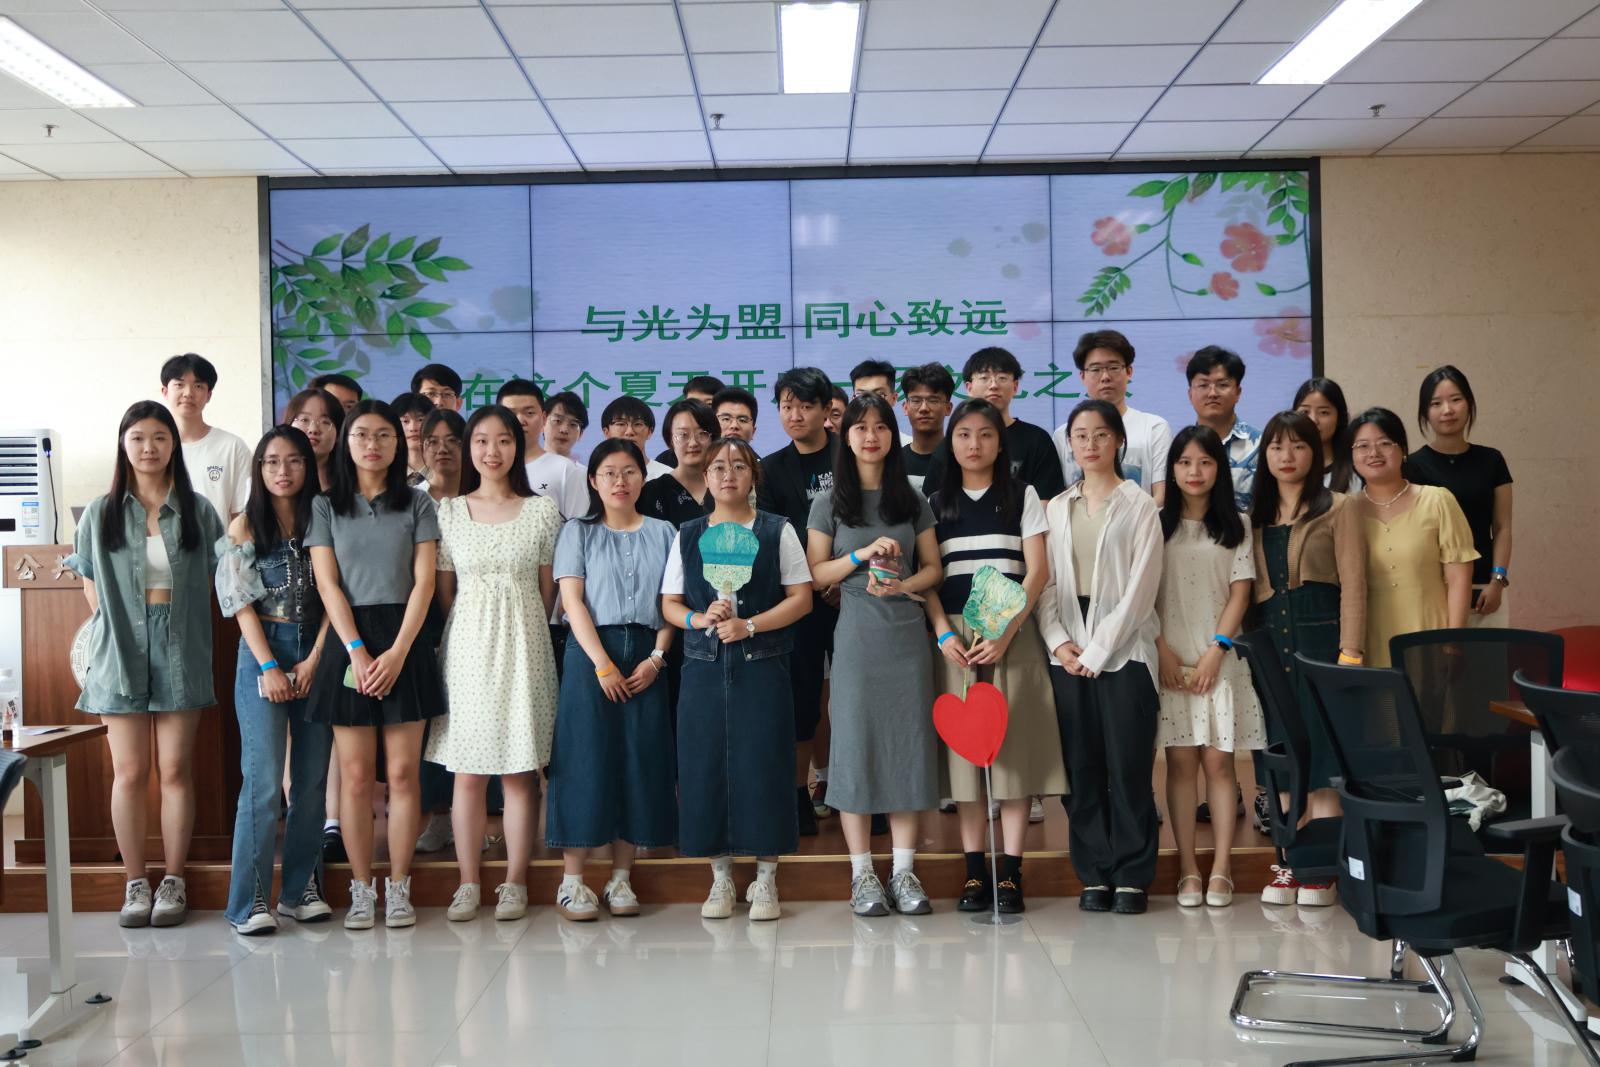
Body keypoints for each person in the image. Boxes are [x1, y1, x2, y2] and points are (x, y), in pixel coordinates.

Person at [67, 401, 226, 929]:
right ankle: (135, 881)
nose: (149, 447)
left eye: (159, 437)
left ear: (173, 445)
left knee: (175, 769)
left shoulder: (198, 510)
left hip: (180, 643)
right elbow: (91, 586)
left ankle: (174, 879)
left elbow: (215, 577)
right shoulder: (101, 513)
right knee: (130, 771)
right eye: (137, 437)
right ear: (123, 445)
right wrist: (120, 630)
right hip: (119, 647)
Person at [304, 399, 445, 930]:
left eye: (385, 435)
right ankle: (362, 889)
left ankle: (400, 887)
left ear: (398, 444)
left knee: (404, 774)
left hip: (405, 636)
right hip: (350, 641)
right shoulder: (325, 505)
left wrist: (400, 651)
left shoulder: (418, 502)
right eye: (362, 434)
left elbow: (425, 582)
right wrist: (359, 652)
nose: (373, 444)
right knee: (358, 777)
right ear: (347, 442)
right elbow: (327, 584)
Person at [662, 438, 813, 920]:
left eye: (739, 466)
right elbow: (670, 604)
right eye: (718, 467)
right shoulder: (688, 534)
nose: (728, 475)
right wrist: (699, 619)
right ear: (705, 477)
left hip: (763, 665)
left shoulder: (776, 530)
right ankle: (721, 877)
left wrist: (750, 625)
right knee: (705, 767)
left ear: (754, 476)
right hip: (703, 668)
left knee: (765, 765)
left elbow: (801, 598)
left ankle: (766, 879)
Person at [924, 398, 1062, 914]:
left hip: (1011, 633)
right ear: (951, 442)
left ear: (1000, 443)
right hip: (957, 640)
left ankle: (1010, 874)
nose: (974, 444)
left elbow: (1038, 571)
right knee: (966, 762)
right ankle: (974, 872)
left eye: (985, 434)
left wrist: (1007, 630)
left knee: (1012, 755)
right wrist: (942, 633)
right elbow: (929, 578)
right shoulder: (934, 502)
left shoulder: (1022, 494)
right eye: (963, 435)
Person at [424, 406, 561, 922]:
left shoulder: (542, 511)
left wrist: (518, 623)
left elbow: (548, 590)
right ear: (469, 448)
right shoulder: (449, 512)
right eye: (481, 441)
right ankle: (467, 882)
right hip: (467, 650)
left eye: (503, 440)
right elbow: (445, 592)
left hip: (526, 646)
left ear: (517, 446)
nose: (492, 451)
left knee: (521, 772)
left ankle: (515, 882)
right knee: (468, 772)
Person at [807, 394, 942, 916]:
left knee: (907, 748)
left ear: (892, 434)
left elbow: (934, 569)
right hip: (857, 639)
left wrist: (905, 584)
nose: (870, 436)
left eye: (880, 427)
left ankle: (904, 871)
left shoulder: (912, 497)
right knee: (856, 747)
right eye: (860, 427)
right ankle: (862, 873)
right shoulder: (829, 501)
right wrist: (862, 554)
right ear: (846, 436)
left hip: (906, 638)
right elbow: (815, 574)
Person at [1039, 399, 1162, 916]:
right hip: (1068, 651)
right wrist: (1057, 641)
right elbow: (1045, 582)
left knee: (1128, 767)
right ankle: (1094, 872)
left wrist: (1099, 648)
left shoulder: (1140, 505)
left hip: (1125, 651)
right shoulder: (1055, 507)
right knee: (1081, 769)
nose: (1090, 444)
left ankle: (1132, 875)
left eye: (1101, 435)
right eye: (1080, 436)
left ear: (1119, 442)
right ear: (1069, 444)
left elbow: (1141, 590)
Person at [546, 440, 677, 921]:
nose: (620, 481)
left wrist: (657, 658)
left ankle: (622, 877)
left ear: (643, 477)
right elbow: (572, 601)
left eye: (629, 472)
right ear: (593, 480)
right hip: (590, 651)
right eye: (608, 473)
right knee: (583, 757)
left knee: (639, 759)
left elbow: (672, 602)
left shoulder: (665, 532)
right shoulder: (577, 532)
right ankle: (573, 880)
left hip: (647, 653)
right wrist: (601, 664)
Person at [216, 426, 333, 935]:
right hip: (263, 648)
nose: (282, 471)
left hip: (318, 654)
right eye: (271, 462)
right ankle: (250, 901)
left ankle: (301, 888)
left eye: (293, 461)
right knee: (263, 782)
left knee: (311, 781)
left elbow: (337, 597)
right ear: (259, 469)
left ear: (309, 465)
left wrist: (316, 660)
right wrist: (268, 666)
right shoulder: (245, 524)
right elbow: (239, 602)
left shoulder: (325, 516)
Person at [1250, 411, 1366, 906]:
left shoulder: (1340, 506)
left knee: (1323, 762)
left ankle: (1321, 869)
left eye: (1298, 446)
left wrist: (1350, 655)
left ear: (1315, 455)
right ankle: (1288, 864)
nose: (1287, 456)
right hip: (1269, 648)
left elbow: (1355, 585)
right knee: (1279, 761)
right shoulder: (1252, 515)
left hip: (1322, 647)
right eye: (1277, 447)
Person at [1154, 426, 1263, 910]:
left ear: (1219, 468)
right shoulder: (1155, 525)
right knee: (1179, 765)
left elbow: (1241, 592)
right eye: (1184, 462)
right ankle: (1187, 868)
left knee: (1220, 763)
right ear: (1172, 469)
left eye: (1204, 462)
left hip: (1220, 659)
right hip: (1169, 660)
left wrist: (1218, 650)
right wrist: (1162, 650)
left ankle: (1221, 868)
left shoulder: (1238, 524)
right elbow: (1142, 595)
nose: (1194, 471)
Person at [758, 367, 838, 837]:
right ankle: (797, 795)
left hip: (851, 595)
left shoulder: (850, 456)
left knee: (853, 698)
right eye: (787, 406)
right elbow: (774, 536)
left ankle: (858, 791)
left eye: (805, 406)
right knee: (802, 701)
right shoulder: (770, 468)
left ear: (826, 410)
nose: (795, 415)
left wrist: (838, 577)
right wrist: (809, 582)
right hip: (800, 600)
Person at [1350, 407, 1477, 668]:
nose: (1373, 453)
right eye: (1362, 446)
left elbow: (1459, 579)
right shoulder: (1345, 511)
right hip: (1369, 641)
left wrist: (1453, 641)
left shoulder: (1437, 500)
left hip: (1430, 637)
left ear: (1403, 450)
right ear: (1351, 456)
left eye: (1385, 443)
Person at [1406, 366, 1513, 627]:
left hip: (1485, 591)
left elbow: (1502, 527)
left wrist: (1497, 581)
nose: (1447, 410)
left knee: (1489, 655)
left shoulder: (1492, 460)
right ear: (1425, 412)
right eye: (1436, 403)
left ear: (1469, 404)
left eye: (1455, 399)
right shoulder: (1412, 466)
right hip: (1435, 591)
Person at [413, 407, 468, 854]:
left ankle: (479, 816)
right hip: (423, 621)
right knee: (436, 721)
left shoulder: (482, 496)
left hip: (479, 619)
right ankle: (439, 816)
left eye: (453, 440)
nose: (443, 449)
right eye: (433, 440)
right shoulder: (412, 500)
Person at [920, 347, 1066, 503]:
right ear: (969, 387)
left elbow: (1047, 503)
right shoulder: (951, 444)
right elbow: (930, 504)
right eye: (984, 378)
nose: (994, 385)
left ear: (1015, 386)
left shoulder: (1037, 440)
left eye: (1002, 378)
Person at [1054, 330, 1172, 503]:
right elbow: (1059, 498)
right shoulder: (1063, 434)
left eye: (1114, 368)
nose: (1105, 377)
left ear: (1129, 371)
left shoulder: (1154, 428)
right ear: (1082, 376)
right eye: (1095, 369)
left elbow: (1161, 496)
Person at [161, 353, 251, 521]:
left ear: (209, 395)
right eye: (179, 384)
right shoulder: (153, 449)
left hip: (218, 539)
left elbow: (241, 516)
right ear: (165, 392)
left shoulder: (232, 447)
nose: (188, 393)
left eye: (198, 386)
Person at [499, 380, 589, 520]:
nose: (564, 430)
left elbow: (578, 528)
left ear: (543, 418)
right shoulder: (488, 466)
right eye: (557, 421)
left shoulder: (570, 470)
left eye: (529, 413)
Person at [1185, 346, 1260, 512]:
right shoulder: (1180, 448)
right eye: (1203, 385)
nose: (1212, 393)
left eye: (1222, 385)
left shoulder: (1262, 445)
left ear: (1238, 392)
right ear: (1190, 394)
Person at [639, 399, 715, 527]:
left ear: (713, 438)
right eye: (683, 435)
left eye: (702, 433)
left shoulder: (727, 485)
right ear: (670, 439)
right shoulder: (652, 492)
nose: (693, 443)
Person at [1293, 378, 1357, 493]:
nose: (1313, 420)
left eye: (1324, 412)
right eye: (1305, 412)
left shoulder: (1357, 466)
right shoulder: (1284, 464)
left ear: (1339, 418)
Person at [899, 362, 954, 492]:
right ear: (905, 407)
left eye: (933, 400)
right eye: (916, 400)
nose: (924, 408)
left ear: (948, 408)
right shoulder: (894, 462)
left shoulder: (961, 459)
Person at [656, 375, 724, 467]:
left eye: (709, 404)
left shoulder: (733, 454)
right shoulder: (665, 461)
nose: (699, 410)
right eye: (693, 403)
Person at [283, 387, 344, 490]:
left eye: (325, 422)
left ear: (339, 434)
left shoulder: (351, 484)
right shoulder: (276, 479)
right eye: (304, 420)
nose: (313, 430)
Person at [601, 396, 670, 481]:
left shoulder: (668, 476)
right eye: (621, 424)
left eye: (637, 424)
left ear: (650, 432)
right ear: (606, 432)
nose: (629, 432)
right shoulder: (597, 476)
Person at [390, 391, 436, 488]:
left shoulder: (445, 472)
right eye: (405, 421)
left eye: (420, 420)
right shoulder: (385, 472)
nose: (413, 428)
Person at [422, 409, 466, 502]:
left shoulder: (485, 496)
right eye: (433, 442)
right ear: (422, 450)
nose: (442, 449)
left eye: (451, 440)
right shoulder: (411, 498)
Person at [544, 390, 588, 461]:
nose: (564, 430)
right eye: (557, 421)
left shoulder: (585, 469)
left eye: (573, 424)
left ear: (581, 434)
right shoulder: (526, 466)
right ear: (542, 422)